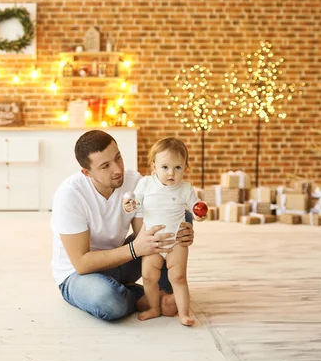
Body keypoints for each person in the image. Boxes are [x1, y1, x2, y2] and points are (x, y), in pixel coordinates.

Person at [51, 130, 195, 321]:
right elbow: (82, 263)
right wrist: (135, 249)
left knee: (179, 214)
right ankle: (145, 297)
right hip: (78, 275)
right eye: (105, 166)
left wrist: (179, 232)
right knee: (109, 302)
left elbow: (145, 234)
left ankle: (162, 291)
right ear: (87, 172)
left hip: (120, 260)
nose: (117, 169)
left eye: (118, 157)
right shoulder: (70, 195)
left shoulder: (134, 181)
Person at [123, 137, 206, 325]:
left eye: (178, 168)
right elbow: (135, 202)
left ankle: (184, 313)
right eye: (165, 167)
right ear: (154, 166)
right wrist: (129, 205)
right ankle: (153, 307)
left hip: (176, 241)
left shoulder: (185, 188)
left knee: (178, 276)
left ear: (185, 168)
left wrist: (199, 213)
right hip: (153, 241)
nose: (171, 173)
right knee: (148, 276)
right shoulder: (146, 183)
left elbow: (195, 206)